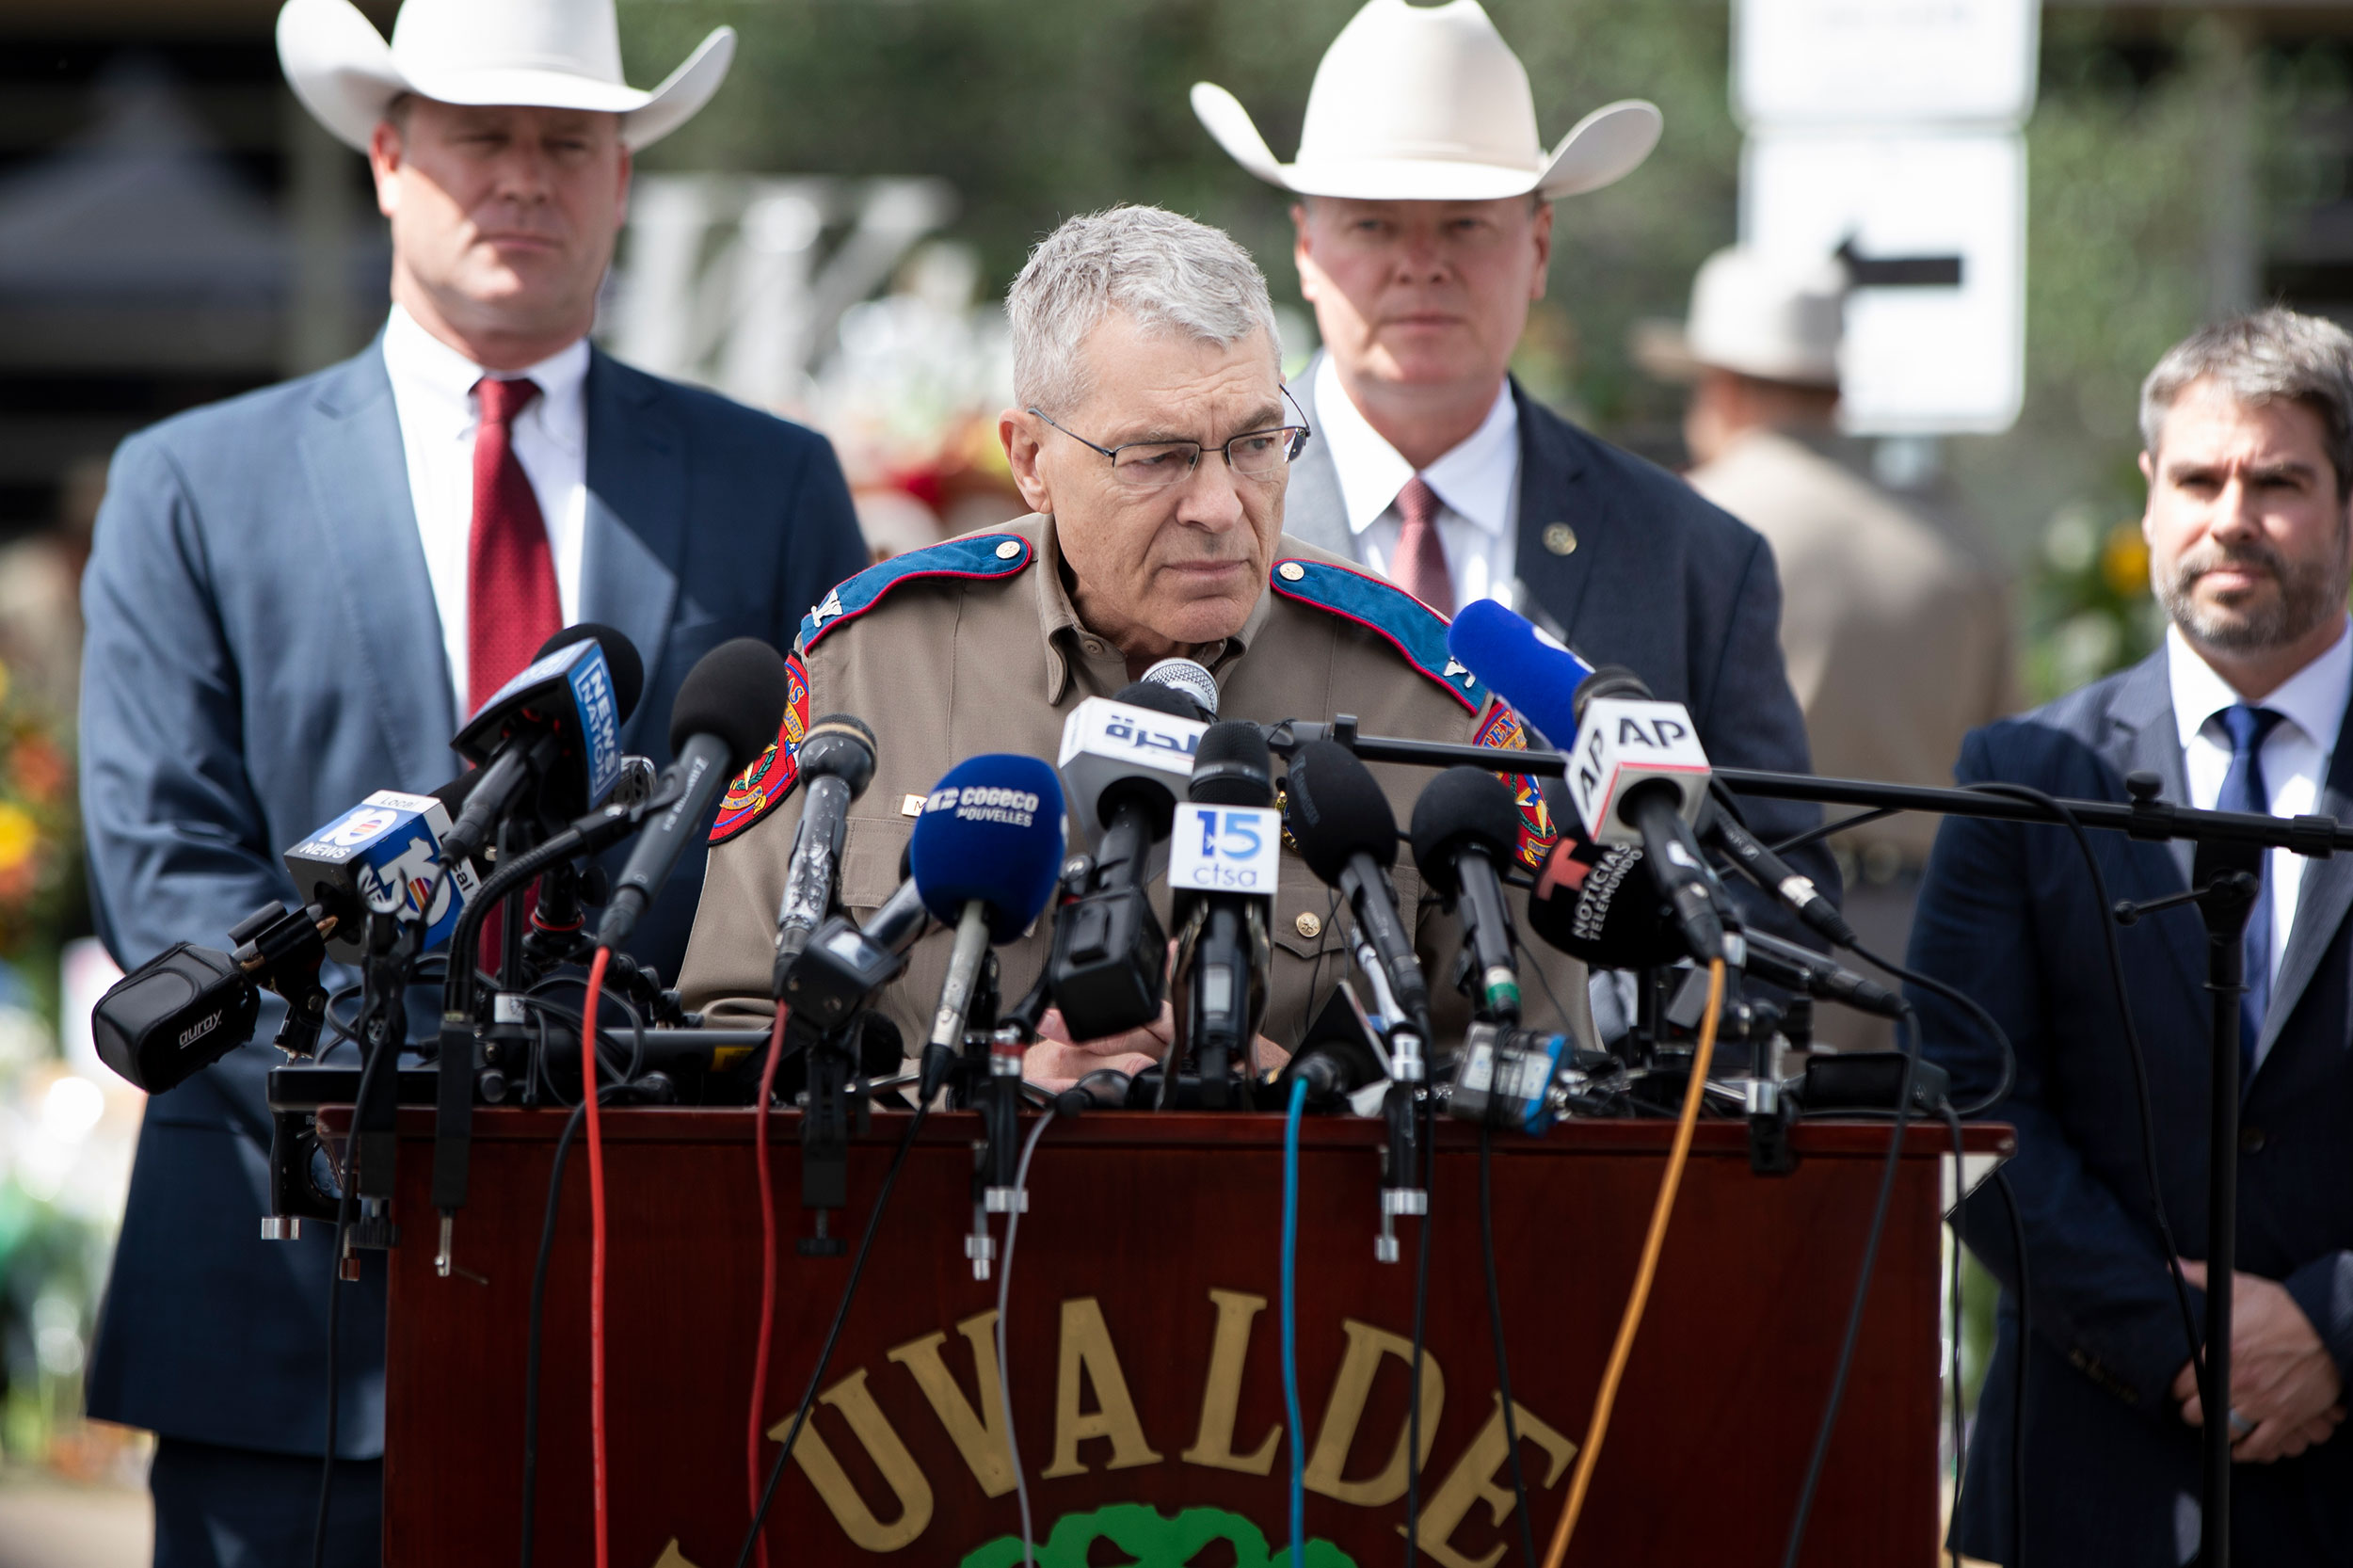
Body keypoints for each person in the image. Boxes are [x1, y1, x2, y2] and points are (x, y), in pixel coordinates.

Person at [78, 0, 866, 1560]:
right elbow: (162, 871)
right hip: (283, 1323)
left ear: (622, 175)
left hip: (656, 1305)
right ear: (385, 156)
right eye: (478, 137)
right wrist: (430, 1111)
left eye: (567, 141)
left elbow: (821, 840)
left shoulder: (773, 480)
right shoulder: (192, 486)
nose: (523, 177)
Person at [679, 205, 1595, 1080]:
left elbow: (1547, 1080)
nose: (1219, 507)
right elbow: (725, 1040)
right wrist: (963, 1094)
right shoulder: (872, 661)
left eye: (1254, 443)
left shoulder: (1418, 695)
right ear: (1030, 459)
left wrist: (1307, 1104)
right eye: (1156, 457)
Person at [1191, 0, 1833, 936]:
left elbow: (1777, 902)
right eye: (1372, 225)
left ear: (1536, 249)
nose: (1420, 265)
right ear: (1305, 248)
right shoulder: (1195, 512)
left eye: (1464, 225)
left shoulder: (1693, 557)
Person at [1914, 309, 2353, 1563]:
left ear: (2347, 506)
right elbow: (1964, 1095)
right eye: (2200, 478)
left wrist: (2331, 1322)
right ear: (2148, 501)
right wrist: (2179, 1336)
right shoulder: (2022, 777)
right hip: (2093, 1468)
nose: (2233, 516)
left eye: (2279, 481)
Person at [1644, 247, 2014, 1048]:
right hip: (1930, 938)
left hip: (1755, 928)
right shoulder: (1954, 535)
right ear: (1836, 393)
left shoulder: (1686, 521)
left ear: (1724, 387)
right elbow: (2006, 755)